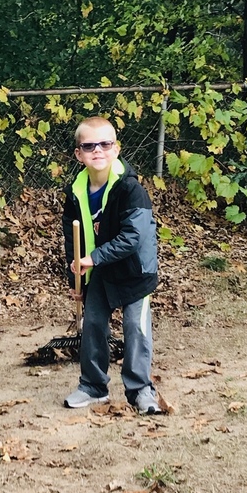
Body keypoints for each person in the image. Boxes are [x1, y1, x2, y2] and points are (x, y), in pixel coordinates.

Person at [61, 116, 161, 414]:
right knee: (92, 325)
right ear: (79, 154)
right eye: (89, 145)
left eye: (105, 144)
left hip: (134, 272)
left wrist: (94, 258)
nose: (98, 151)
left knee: (135, 328)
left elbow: (133, 237)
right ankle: (93, 387)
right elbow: (73, 238)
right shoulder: (75, 192)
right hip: (99, 272)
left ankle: (140, 390)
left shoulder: (131, 189)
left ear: (116, 149)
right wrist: (77, 280)